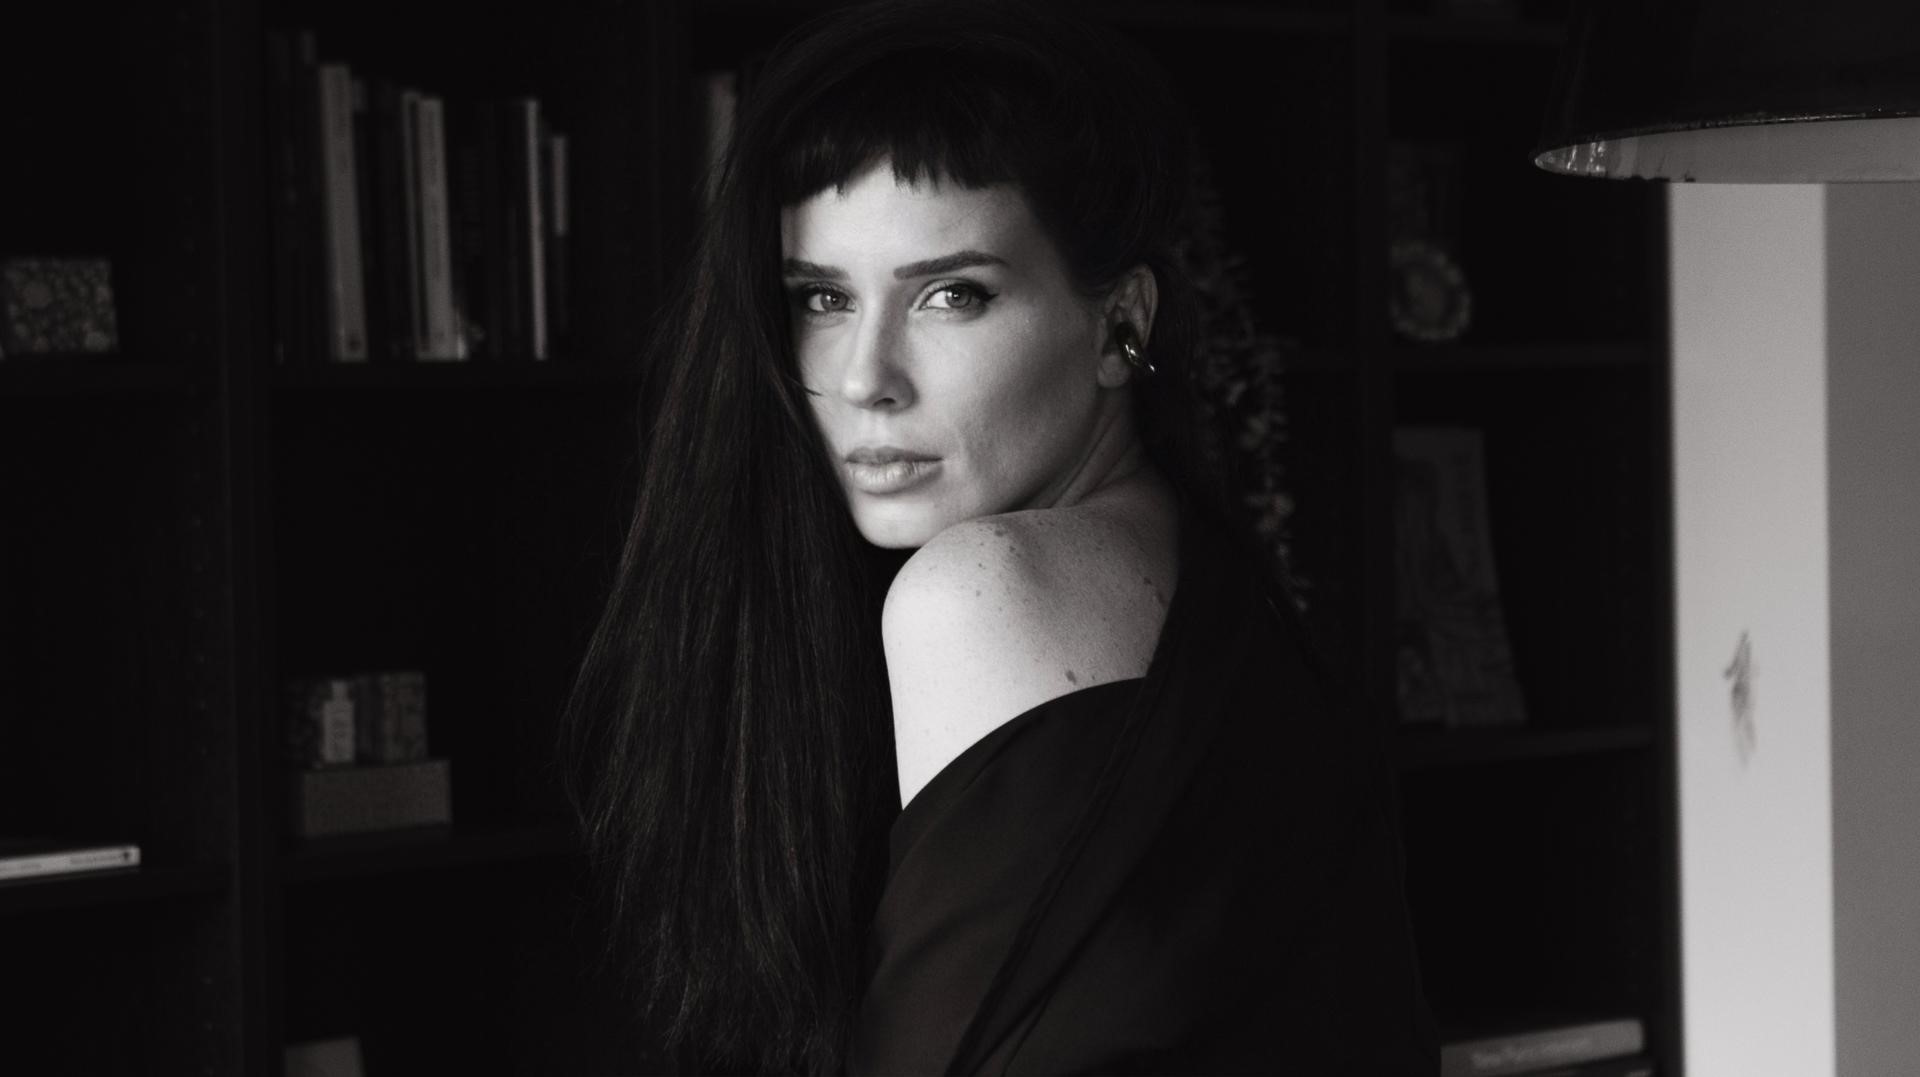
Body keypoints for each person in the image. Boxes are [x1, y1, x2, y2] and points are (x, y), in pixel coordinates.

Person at [560, 1, 1439, 1073]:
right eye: (823, 298)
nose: (865, 378)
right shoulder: (1196, 562)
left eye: (951, 294)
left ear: (1121, 323)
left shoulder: (982, 593)